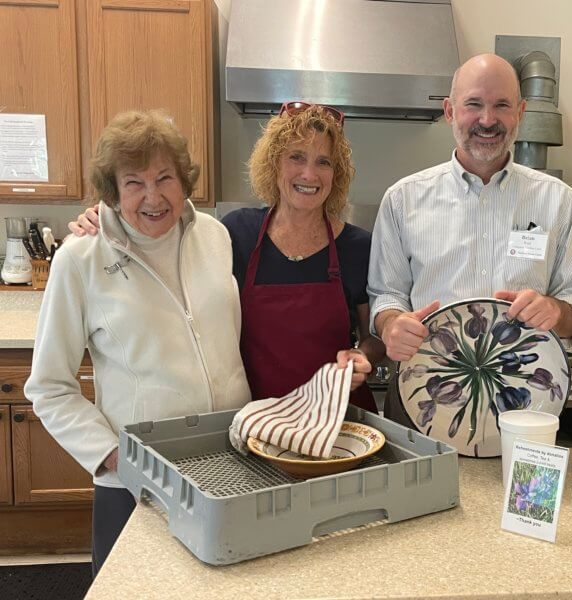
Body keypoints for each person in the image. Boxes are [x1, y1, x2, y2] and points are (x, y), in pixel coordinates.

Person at [25, 110, 252, 576]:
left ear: (185, 180)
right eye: (134, 183)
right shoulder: (80, 258)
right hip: (137, 484)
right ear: (112, 190)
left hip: (227, 466)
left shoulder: (215, 236)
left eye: (165, 177)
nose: (153, 196)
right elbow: (49, 387)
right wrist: (116, 458)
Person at [69, 102, 381, 410]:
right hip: (254, 422)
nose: (309, 174)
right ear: (274, 163)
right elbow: (159, 241)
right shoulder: (233, 233)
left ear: (336, 174)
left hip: (338, 420)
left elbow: (374, 338)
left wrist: (363, 357)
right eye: (296, 157)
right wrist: (109, 218)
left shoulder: (358, 247)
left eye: (324, 162)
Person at [368, 54, 572, 423]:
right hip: (420, 399)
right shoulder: (403, 199)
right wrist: (391, 324)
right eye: (473, 104)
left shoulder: (558, 200)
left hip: (529, 408)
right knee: (420, 485)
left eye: (501, 105)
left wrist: (556, 310)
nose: (487, 120)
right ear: (449, 110)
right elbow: (387, 294)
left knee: (517, 486)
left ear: (520, 112)